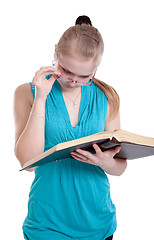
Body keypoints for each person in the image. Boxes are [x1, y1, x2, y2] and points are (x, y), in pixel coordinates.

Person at [14, 15, 127, 240]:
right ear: (55, 52)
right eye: (66, 70)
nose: (73, 81)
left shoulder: (107, 97)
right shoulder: (27, 92)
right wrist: (41, 99)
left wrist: (106, 162)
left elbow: (120, 167)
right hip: (48, 223)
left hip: (98, 221)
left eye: (84, 76)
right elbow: (28, 163)